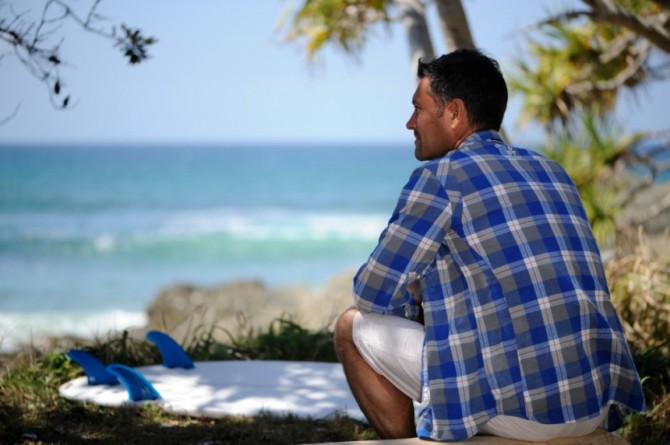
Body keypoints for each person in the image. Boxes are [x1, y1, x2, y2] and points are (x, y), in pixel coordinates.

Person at [334, 48, 645, 442]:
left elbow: (371, 291)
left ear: (454, 113)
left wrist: (413, 302)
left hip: (522, 412)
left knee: (349, 328)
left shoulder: (440, 178)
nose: (410, 122)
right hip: (591, 402)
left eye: (418, 108)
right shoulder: (552, 171)